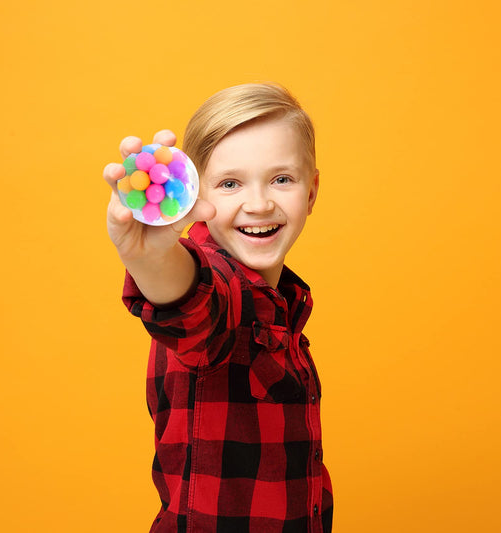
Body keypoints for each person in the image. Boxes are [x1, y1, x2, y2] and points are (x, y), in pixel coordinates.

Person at [103, 83, 333, 533]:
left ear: (311, 191)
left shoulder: (283, 303)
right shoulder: (222, 290)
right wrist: (149, 258)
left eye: (281, 179)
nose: (260, 203)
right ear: (193, 197)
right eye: (230, 184)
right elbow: (192, 302)